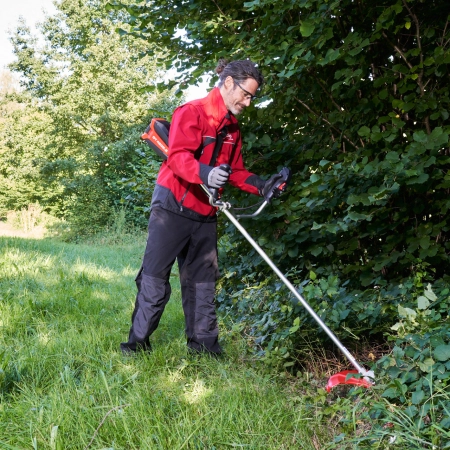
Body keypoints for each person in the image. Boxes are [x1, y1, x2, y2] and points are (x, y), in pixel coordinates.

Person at [121, 58, 285, 355]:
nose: (248, 102)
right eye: (246, 94)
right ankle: (136, 345)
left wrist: (262, 185)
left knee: (203, 283)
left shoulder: (233, 128)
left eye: (252, 97)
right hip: (172, 207)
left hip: (206, 212)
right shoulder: (192, 112)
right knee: (155, 278)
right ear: (229, 83)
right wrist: (206, 173)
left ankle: (204, 347)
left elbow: (235, 171)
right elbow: (178, 157)